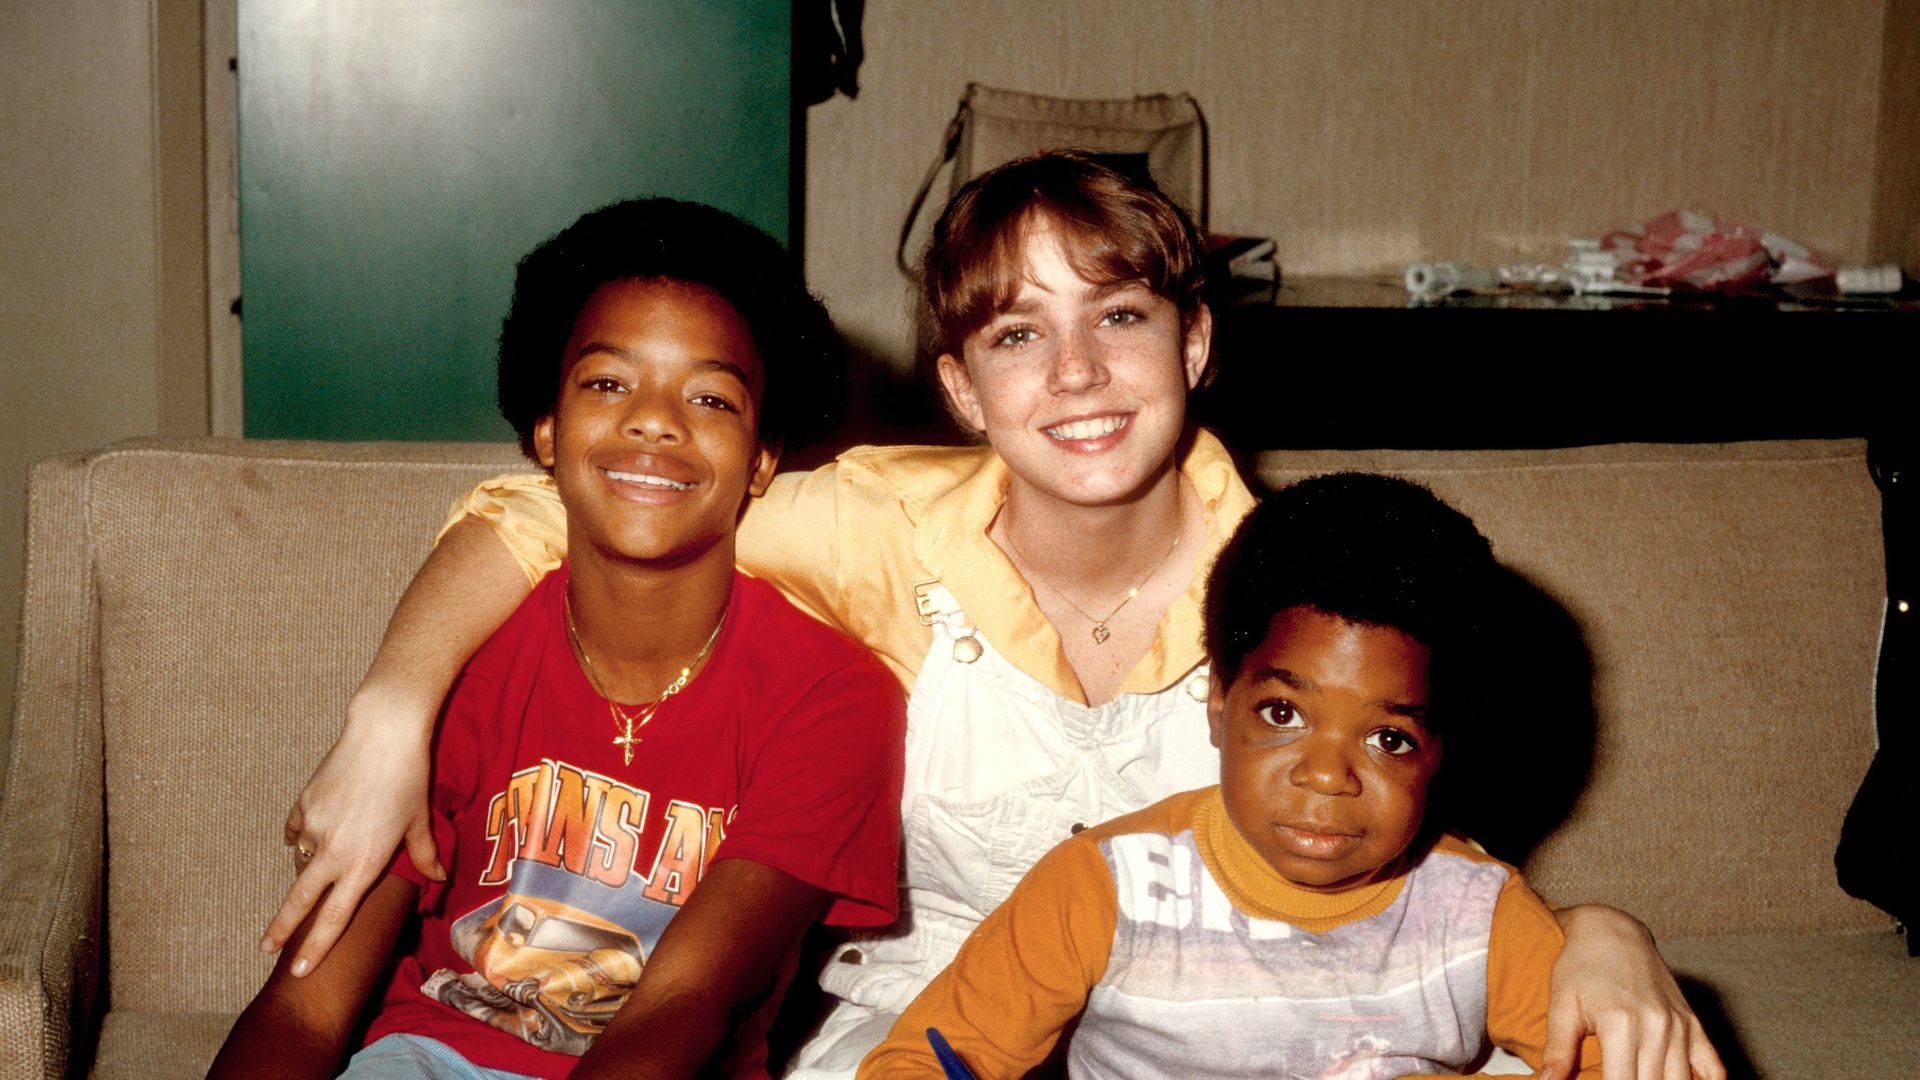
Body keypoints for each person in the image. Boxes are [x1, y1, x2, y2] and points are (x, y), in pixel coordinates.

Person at [265, 153, 1724, 1080]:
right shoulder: (881, 524)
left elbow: (1385, 813)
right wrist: (392, 712)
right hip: (928, 1017)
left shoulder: (1297, 570)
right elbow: (569, 507)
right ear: (961, 387)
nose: (1076, 375)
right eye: (1020, 334)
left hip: (1232, 1020)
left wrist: (1598, 927)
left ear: (1194, 342)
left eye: (1120, 317)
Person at [211, 198, 904, 1080]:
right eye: (608, 384)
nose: (655, 420)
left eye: (710, 397)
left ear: (762, 458)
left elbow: (687, 1003)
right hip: (428, 1057)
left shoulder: (834, 695)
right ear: (546, 429)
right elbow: (305, 1006)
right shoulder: (463, 656)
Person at [860, 472, 1612, 1079]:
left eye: (1390, 738)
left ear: (1444, 751)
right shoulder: (1102, 887)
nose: (1327, 776)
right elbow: (923, 1059)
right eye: (1284, 714)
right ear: (1220, 705)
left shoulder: (1479, 911)